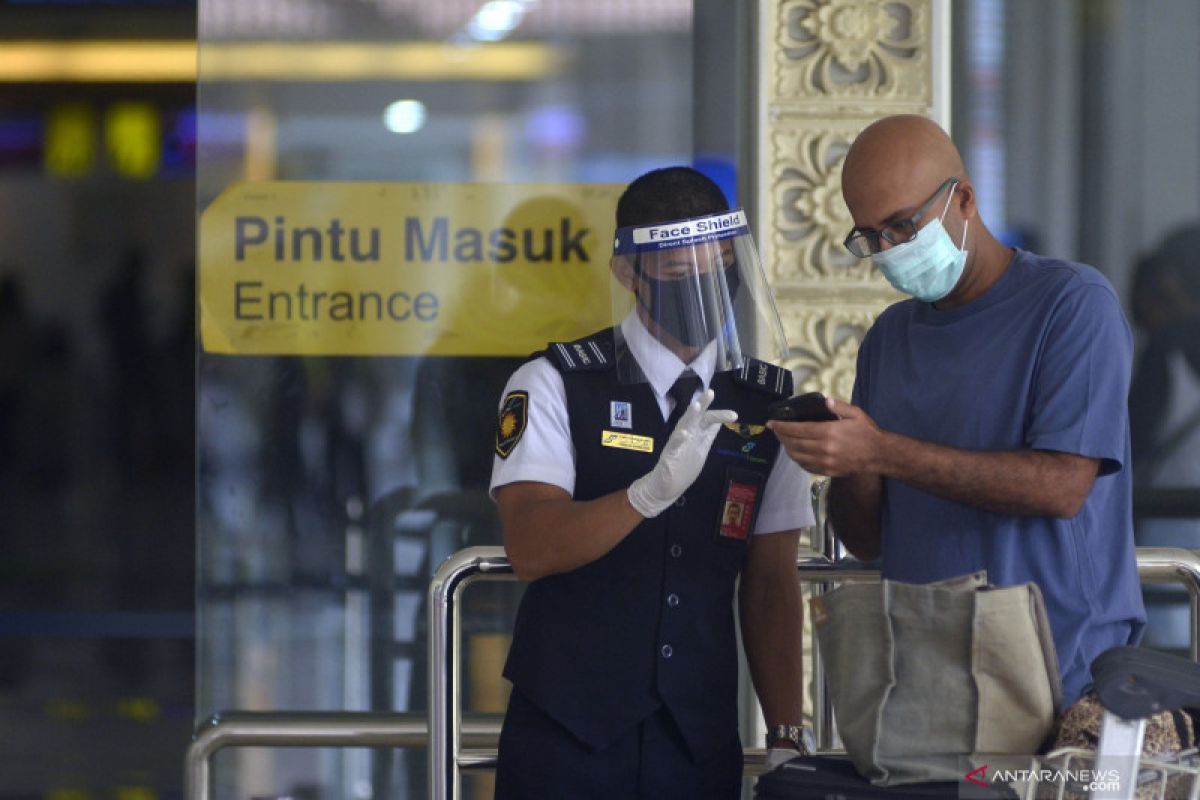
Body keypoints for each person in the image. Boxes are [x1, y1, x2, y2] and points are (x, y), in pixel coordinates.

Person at [770, 115, 1145, 708]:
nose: (889, 250)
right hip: (928, 685)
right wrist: (848, 456)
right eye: (870, 237)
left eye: (901, 225)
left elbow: (1060, 488)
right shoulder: (891, 337)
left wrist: (883, 449)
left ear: (963, 199)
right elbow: (866, 540)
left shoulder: (1072, 306)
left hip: (1062, 681)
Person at [489, 166, 814, 799]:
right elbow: (531, 545)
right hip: (568, 729)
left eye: (720, 263)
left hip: (696, 735)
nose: (704, 284)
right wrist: (644, 496)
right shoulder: (557, 382)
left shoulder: (765, 400)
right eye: (677, 271)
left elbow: (772, 580)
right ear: (627, 273)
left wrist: (786, 735)